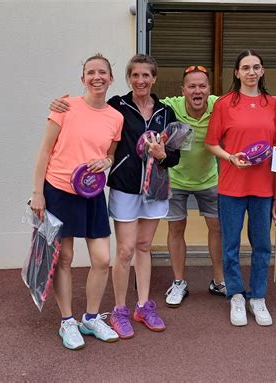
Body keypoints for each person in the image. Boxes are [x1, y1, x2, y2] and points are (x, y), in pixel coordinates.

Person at [49, 54, 179, 339]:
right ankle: (120, 309)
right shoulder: (117, 106)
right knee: (125, 251)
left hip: (155, 188)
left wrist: (164, 155)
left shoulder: (166, 112)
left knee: (144, 247)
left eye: (146, 75)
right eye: (135, 75)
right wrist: (57, 105)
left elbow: (176, 155)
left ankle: (143, 306)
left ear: (154, 78)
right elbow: (87, 112)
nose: (141, 80)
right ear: (127, 78)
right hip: (124, 186)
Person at [30, 53, 123, 350]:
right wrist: (37, 193)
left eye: (102, 72)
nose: (97, 77)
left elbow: (110, 154)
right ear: (83, 78)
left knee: (102, 259)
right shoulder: (65, 107)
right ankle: (67, 322)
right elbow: (44, 151)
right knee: (65, 259)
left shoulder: (115, 117)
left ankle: (91, 318)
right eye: (90, 72)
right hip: (57, 190)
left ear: (111, 78)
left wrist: (105, 162)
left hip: (92, 193)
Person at [205, 50, 276, 327]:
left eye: (256, 67)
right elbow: (212, 143)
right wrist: (230, 158)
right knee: (230, 244)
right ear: (236, 73)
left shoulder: (272, 104)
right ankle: (236, 295)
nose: (250, 72)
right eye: (245, 67)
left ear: (262, 71)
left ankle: (257, 296)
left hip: (263, 187)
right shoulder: (224, 104)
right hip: (231, 186)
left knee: (262, 245)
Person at [160, 65, 225, 308]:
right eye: (192, 86)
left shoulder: (219, 104)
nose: (197, 90)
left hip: (209, 179)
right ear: (183, 90)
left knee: (217, 228)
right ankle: (179, 282)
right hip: (175, 179)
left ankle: (219, 280)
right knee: (176, 230)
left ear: (209, 89)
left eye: (202, 86)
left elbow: (260, 100)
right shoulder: (171, 105)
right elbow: (139, 101)